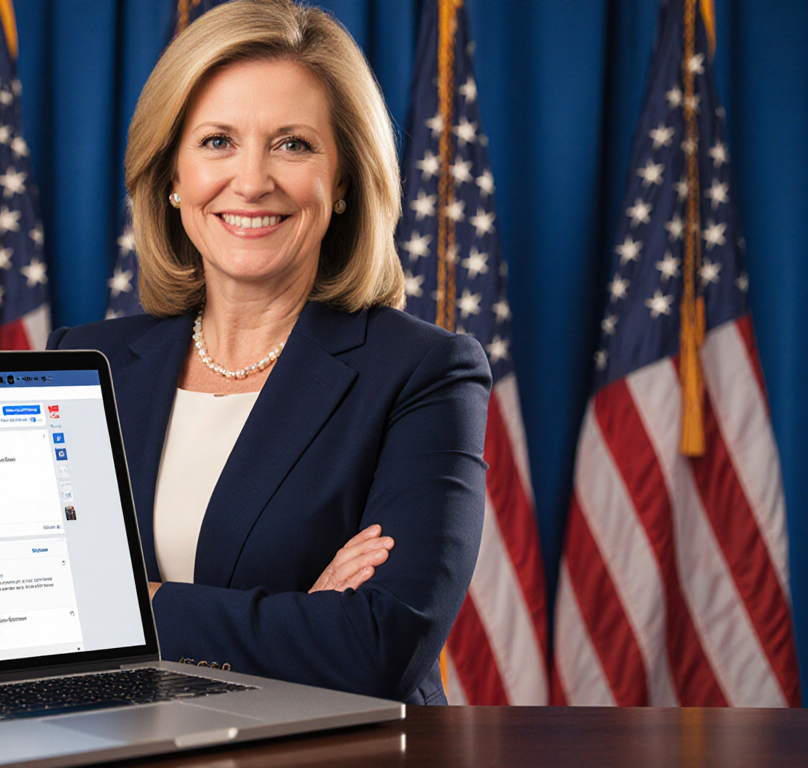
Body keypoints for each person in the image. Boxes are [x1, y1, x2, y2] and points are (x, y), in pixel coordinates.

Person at [47, 0, 488, 705]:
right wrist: (299, 618)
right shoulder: (84, 361)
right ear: (172, 176)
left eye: (293, 145)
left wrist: (133, 603)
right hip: (116, 743)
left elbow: (374, 648)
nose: (251, 181)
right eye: (217, 141)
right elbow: (25, 611)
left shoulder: (423, 373)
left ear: (342, 182)